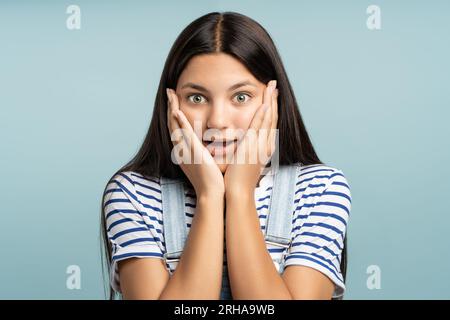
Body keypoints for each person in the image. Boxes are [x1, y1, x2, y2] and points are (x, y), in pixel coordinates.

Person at [100, 11, 352, 300]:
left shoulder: (321, 189)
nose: (217, 121)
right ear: (171, 104)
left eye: (241, 97)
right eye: (197, 98)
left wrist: (240, 192)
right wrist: (208, 195)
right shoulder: (131, 193)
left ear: (273, 102)